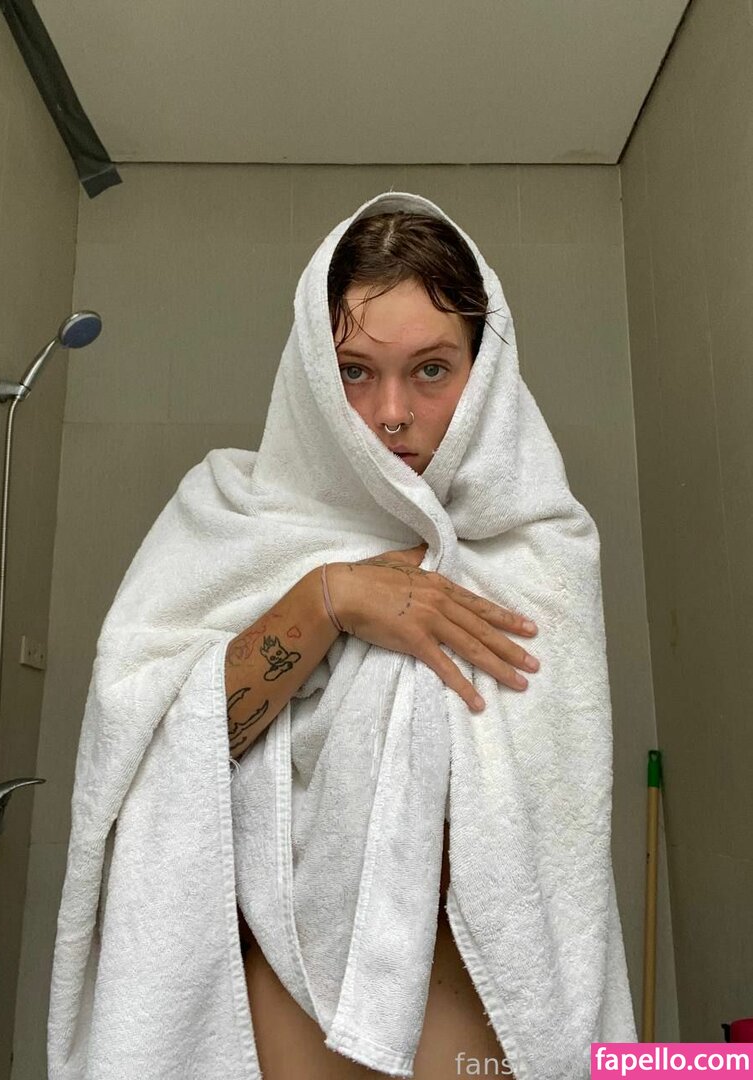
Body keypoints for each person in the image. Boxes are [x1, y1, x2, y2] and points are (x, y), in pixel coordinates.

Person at [225, 209, 541, 1079]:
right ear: (312, 375)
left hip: (477, 995)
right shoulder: (235, 524)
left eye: (430, 369)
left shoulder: (537, 548)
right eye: (354, 372)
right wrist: (328, 598)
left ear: (482, 373)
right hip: (293, 994)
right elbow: (160, 750)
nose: (390, 415)